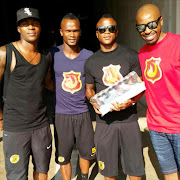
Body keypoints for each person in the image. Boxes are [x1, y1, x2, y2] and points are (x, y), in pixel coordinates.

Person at [85, 14, 145, 180]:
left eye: (111, 28)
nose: (106, 32)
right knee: (108, 171)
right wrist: (93, 101)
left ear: (116, 32)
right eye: (102, 29)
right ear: (96, 33)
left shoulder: (131, 55)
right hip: (105, 123)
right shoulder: (91, 61)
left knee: (135, 170)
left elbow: (140, 85)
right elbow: (89, 89)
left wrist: (130, 101)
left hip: (129, 121)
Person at [0, 7, 53, 180]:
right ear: (18, 28)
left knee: (42, 170)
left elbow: (49, 85)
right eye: (25, 24)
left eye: (35, 23)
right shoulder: (5, 53)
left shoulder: (45, 57)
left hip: (41, 125)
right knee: (17, 175)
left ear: (40, 27)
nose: (31, 27)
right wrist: (1, 116)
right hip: (15, 127)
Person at [136, 3, 180, 180]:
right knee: (169, 175)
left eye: (152, 24)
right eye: (141, 27)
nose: (147, 30)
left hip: (178, 125)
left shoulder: (177, 43)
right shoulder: (141, 54)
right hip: (156, 128)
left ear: (161, 21)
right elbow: (143, 86)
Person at [51, 13, 96, 180]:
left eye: (75, 30)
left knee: (86, 151)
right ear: (61, 32)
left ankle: (84, 177)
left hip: (83, 112)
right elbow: (46, 81)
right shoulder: (52, 54)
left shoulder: (89, 56)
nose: (72, 34)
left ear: (80, 32)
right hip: (62, 114)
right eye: (68, 31)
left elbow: (92, 84)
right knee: (64, 155)